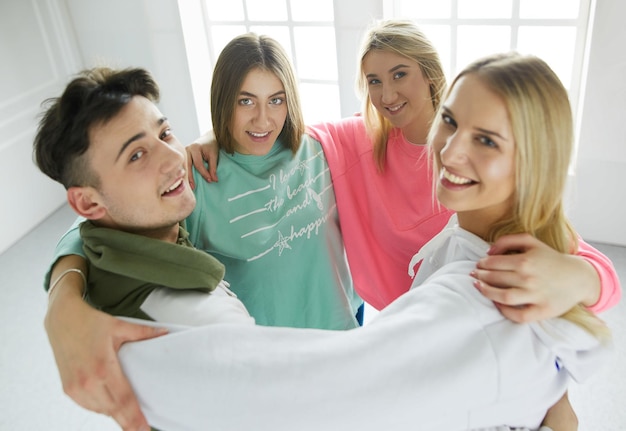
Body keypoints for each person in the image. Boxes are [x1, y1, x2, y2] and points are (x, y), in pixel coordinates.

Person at [116, 52, 613, 431]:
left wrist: (120, 361)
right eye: (452, 122)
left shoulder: (473, 294)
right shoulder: (352, 151)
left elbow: (325, 394)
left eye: (487, 140)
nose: (451, 150)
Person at [190, 20, 621, 321]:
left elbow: (601, 276)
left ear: (431, 75)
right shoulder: (360, 141)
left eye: (400, 74)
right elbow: (276, 130)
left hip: (476, 320)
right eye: (373, 81)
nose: (387, 94)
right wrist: (215, 134)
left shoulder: (480, 167)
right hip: (405, 324)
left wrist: (578, 278)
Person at [41, 34, 361, 430]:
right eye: (246, 100)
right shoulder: (197, 179)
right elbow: (94, 227)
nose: (263, 119)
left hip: (343, 330)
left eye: (276, 99)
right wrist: (62, 300)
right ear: (223, 101)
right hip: (273, 357)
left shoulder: (322, 145)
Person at [33, 66, 253, 326]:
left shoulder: (123, 226)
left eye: (164, 134)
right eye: (136, 155)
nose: (174, 157)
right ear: (89, 202)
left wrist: (214, 134)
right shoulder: (208, 319)